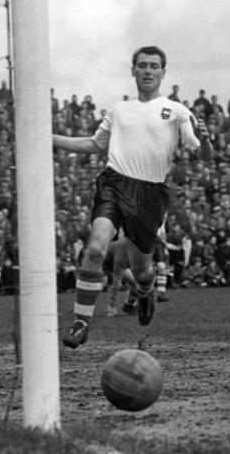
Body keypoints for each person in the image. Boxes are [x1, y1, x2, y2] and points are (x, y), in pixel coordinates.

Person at [51, 45, 213, 349]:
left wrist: (205, 140)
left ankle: (145, 290)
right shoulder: (120, 109)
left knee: (141, 268)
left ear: (163, 72)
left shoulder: (176, 110)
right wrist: (48, 138)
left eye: (154, 66)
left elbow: (201, 152)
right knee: (96, 247)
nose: (148, 71)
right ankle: (81, 321)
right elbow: (93, 144)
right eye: (142, 65)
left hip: (150, 194)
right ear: (133, 70)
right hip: (113, 183)